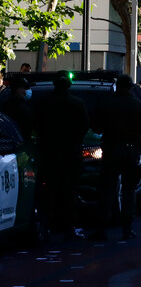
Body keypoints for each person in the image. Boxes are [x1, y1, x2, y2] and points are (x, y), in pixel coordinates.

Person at [90, 74, 141, 241]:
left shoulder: (106, 104)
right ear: (130, 86)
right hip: (131, 150)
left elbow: (96, 127)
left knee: (107, 190)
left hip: (111, 149)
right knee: (129, 190)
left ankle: (102, 228)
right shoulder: (139, 106)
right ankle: (127, 228)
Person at [34, 71, 89, 240]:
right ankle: (69, 227)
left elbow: (37, 126)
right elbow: (84, 127)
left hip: (49, 153)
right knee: (69, 191)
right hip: (71, 153)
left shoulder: (44, 103)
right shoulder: (77, 104)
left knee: (48, 192)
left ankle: (45, 227)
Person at [0, 75, 34, 140]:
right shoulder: (21, 109)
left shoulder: (6, 104)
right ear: (18, 90)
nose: (29, 90)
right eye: (26, 88)